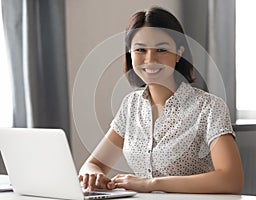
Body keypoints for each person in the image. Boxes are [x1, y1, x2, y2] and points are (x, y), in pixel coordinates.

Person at [79, 6, 244, 194]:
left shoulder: (209, 108)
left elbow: (231, 180)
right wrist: (93, 175)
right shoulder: (130, 106)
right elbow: (92, 165)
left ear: (179, 52)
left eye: (161, 50)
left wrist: (151, 184)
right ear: (130, 53)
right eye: (140, 49)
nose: (150, 60)